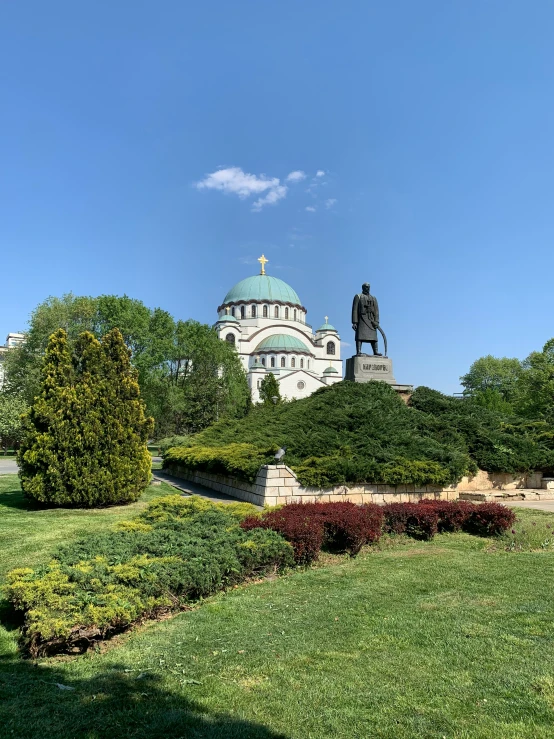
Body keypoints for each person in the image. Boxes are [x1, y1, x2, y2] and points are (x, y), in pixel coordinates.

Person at [352, 282, 382, 356]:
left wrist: (376, 321)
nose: (367, 288)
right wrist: (354, 322)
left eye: (368, 287)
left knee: (374, 337)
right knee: (360, 336)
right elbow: (355, 310)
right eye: (366, 287)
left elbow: (376, 311)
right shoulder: (358, 296)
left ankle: (375, 351)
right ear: (363, 288)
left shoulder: (373, 298)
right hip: (362, 319)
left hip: (371, 320)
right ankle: (358, 351)